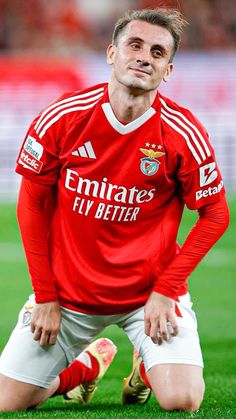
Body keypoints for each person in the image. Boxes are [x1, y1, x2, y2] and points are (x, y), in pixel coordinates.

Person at [0, 7, 229, 412]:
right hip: (67, 296)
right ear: (112, 53)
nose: (144, 57)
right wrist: (45, 295)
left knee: (183, 400)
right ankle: (85, 368)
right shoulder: (64, 116)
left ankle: (147, 366)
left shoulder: (182, 132)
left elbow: (216, 214)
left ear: (169, 70)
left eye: (157, 52)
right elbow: (32, 203)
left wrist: (166, 289)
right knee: (8, 402)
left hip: (149, 296)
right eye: (135, 45)